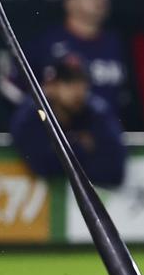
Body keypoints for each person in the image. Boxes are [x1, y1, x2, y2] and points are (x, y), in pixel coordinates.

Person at [5, 0, 130, 116]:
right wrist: (42, 114)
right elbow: (12, 89)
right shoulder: (47, 44)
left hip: (105, 135)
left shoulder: (116, 43)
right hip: (59, 136)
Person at [10, 52, 127, 188]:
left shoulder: (97, 113)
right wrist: (80, 147)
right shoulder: (34, 114)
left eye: (82, 81)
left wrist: (62, 155)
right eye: (68, 82)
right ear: (50, 86)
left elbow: (114, 173)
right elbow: (41, 166)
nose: (77, 89)